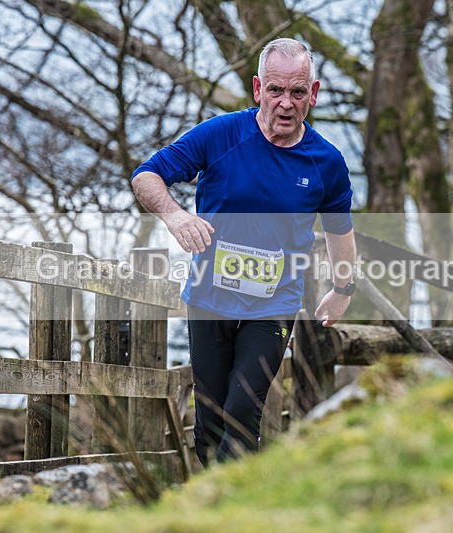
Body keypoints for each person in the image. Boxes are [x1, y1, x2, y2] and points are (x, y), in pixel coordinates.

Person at [131, 38, 356, 465]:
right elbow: (146, 176)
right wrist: (175, 216)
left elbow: (340, 229)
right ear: (257, 89)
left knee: (242, 410)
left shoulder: (326, 162)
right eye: (275, 90)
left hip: (273, 305)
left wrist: (343, 288)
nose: (285, 104)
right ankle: (214, 501)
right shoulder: (221, 135)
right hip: (208, 300)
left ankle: (235, 499)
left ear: (314, 93)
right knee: (211, 418)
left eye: (296, 92)